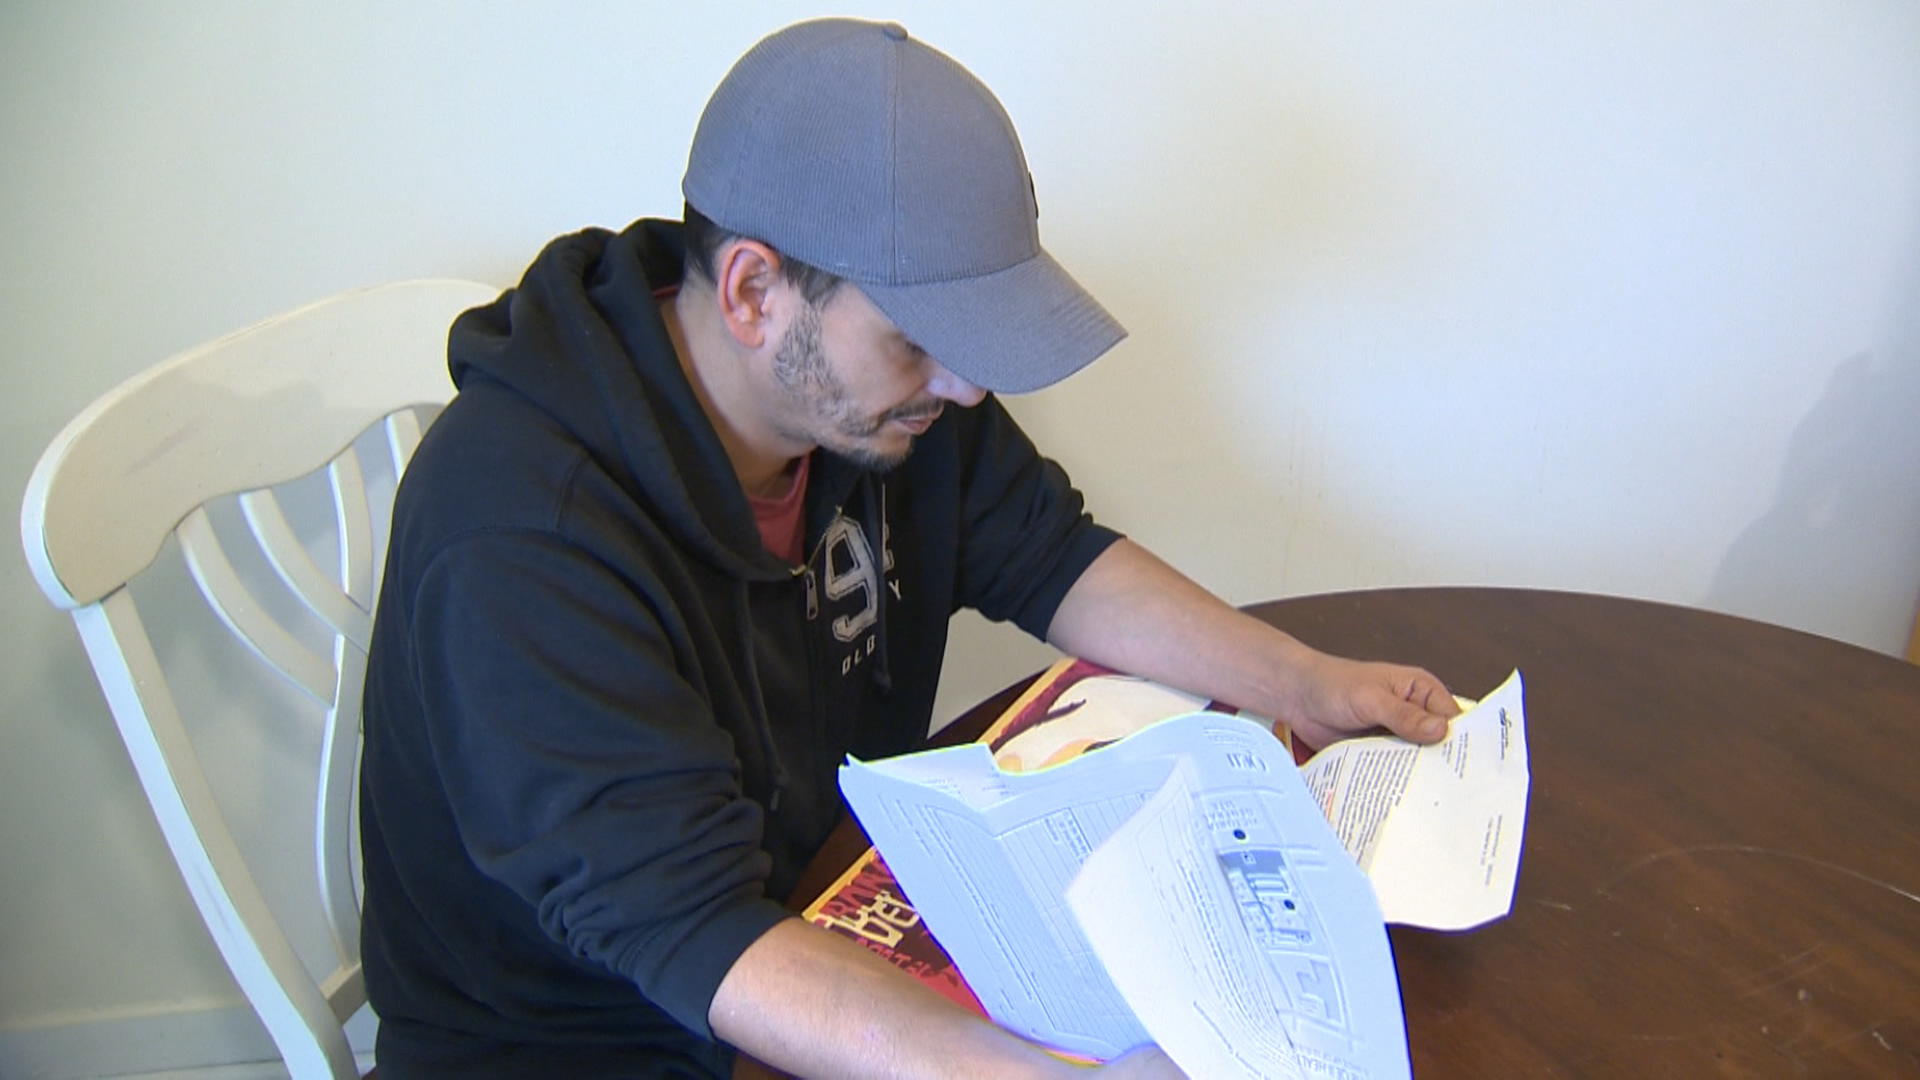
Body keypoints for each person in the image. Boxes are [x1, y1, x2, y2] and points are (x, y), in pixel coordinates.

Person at [359, 17, 1458, 1079]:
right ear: (754, 291)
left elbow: (1050, 554)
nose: (966, 386)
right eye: (918, 340)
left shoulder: (875, 410)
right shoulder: (521, 532)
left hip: (824, 919)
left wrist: (1302, 683)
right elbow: (692, 932)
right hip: (608, 1039)